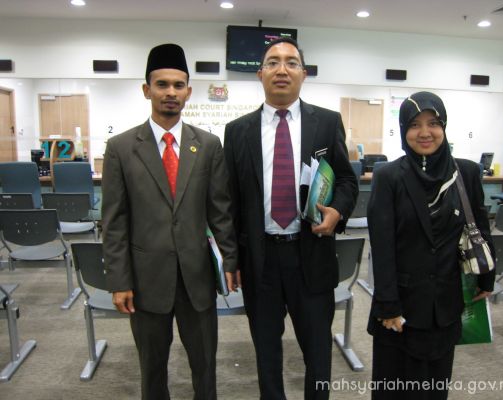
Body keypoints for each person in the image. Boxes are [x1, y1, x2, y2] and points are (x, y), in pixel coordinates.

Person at [101, 43, 238, 400]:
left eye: (178, 85)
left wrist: (230, 261)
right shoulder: (121, 148)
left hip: (197, 279)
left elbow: (220, 211)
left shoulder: (208, 145)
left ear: (189, 92)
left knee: (205, 367)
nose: (170, 93)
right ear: (146, 90)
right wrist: (119, 280)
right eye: (162, 84)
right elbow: (114, 222)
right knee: (152, 369)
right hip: (146, 281)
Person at [223, 37, 358, 400]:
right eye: (272, 62)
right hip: (260, 260)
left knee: (318, 351)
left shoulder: (326, 123)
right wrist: (231, 258)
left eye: (291, 62)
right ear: (260, 74)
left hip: (311, 253)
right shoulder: (237, 131)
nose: (281, 70)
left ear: (303, 73)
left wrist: (338, 210)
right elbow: (230, 200)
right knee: (266, 353)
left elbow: (346, 180)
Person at [366, 91, 495, 400]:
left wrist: (487, 278)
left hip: (445, 305)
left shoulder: (465, 172)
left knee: (435, 388)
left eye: (433, 123)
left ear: (444, 126)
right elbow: (382, 247)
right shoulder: (389, 176)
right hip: (401, 308)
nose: (425, 132)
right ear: (403, 129)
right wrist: (387, 304)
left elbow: (480, 225)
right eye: (414, 125)